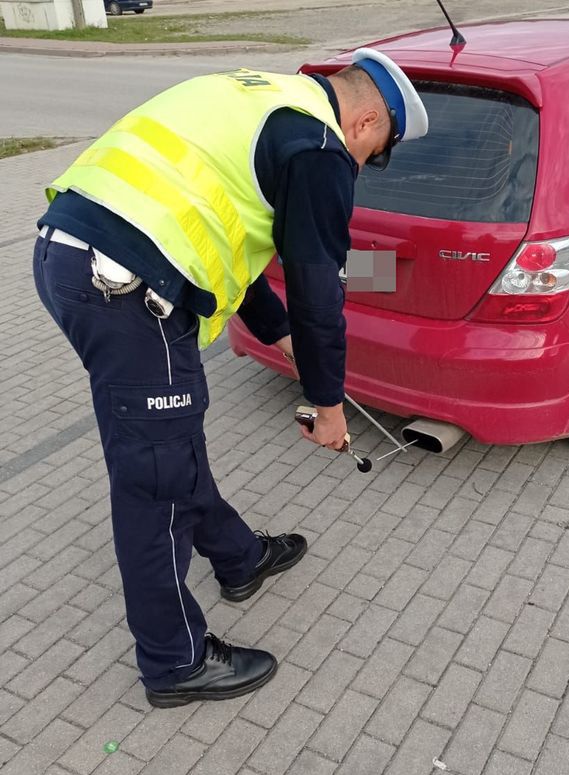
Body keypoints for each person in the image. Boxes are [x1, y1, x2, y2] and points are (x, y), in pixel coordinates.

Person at [32, 49, 428, 708]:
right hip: (126, 287)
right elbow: (316, 285)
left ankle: (238, 556)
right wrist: (328, 404)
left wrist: (279, 338)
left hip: (74, 254)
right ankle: (174, 660)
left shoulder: (264, 96)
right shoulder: (321, 150)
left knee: (166, 442)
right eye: (379, 152)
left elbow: (215, 227)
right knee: (153, 478)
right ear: (366, 125)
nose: (366, 166)